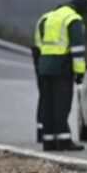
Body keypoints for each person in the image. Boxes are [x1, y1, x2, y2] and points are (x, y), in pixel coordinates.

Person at [37, 0, 87, 151]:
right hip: (62, 66)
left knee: (48, 103)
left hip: (45, 65)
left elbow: (42, 37)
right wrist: (80, 72)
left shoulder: (52, 15)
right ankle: (64, 140)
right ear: (80, 9)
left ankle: (49, 141)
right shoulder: (73, 19)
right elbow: (77, 49)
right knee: (62, 104)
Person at [32, 10, 53, 143]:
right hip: (47, 57)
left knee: (44, 96)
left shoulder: (45, 18)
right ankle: (45, 130)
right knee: (48, 96)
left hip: (39, 56)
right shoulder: (60, 19)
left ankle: (41, 130)